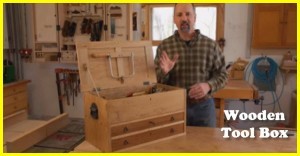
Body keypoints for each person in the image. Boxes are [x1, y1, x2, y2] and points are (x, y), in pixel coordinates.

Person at [154, 3, 228, 127]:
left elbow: (223, 76)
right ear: (174, 19)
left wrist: (208, 86)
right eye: (179, 15)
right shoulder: (164, 47)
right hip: (174, 108)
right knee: (176, 145)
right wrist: (164, 73)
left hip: (204, 108)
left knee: (206, 145)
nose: (184, 18)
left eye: (188, 14)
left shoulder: (211, 46)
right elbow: (156, 82)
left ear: (195, 17)